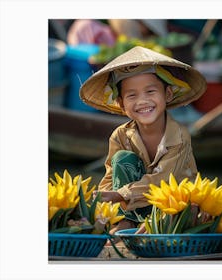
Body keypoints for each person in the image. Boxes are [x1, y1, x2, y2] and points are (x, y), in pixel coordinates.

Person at [79, 46, 207, 233]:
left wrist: (119, 194)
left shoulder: (179, 135)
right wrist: (102, 203)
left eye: (150, 92)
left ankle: (152, 226)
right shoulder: (120, 136)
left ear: (168, 94)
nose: (142, 101)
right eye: (132, 95)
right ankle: (126, 222)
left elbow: (162, 179)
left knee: (178, 205)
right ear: (122, 104)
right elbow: (110, 178)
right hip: (133, 206)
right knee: (122, 158)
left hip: (175, 207)